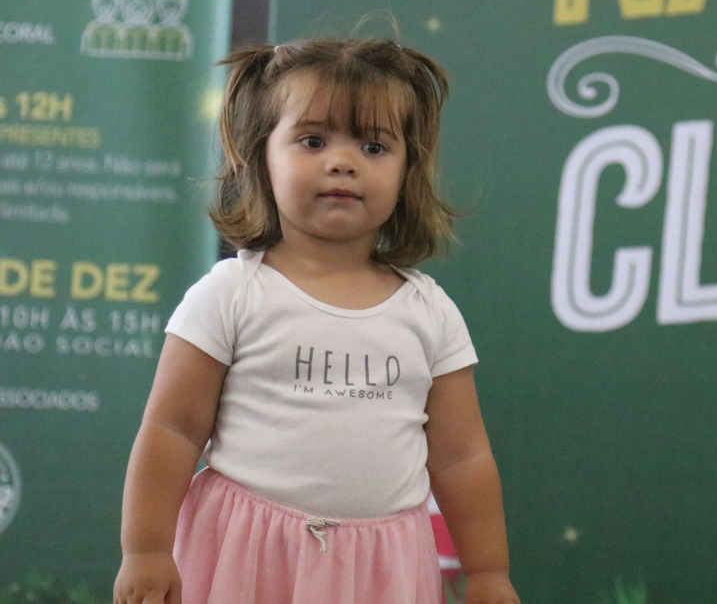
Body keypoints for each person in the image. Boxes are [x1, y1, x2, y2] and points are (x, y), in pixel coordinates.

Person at [113, 36, 519, 604]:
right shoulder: (231, 294)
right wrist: (146, 551)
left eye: (374, 146)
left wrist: (488, 572)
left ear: (408, 169)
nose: (342, 162)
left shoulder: (431, 312)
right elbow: (171, 431)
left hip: (381, 571)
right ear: (261, 156)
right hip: (243, 556)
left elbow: (462, 458)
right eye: (312, 140)